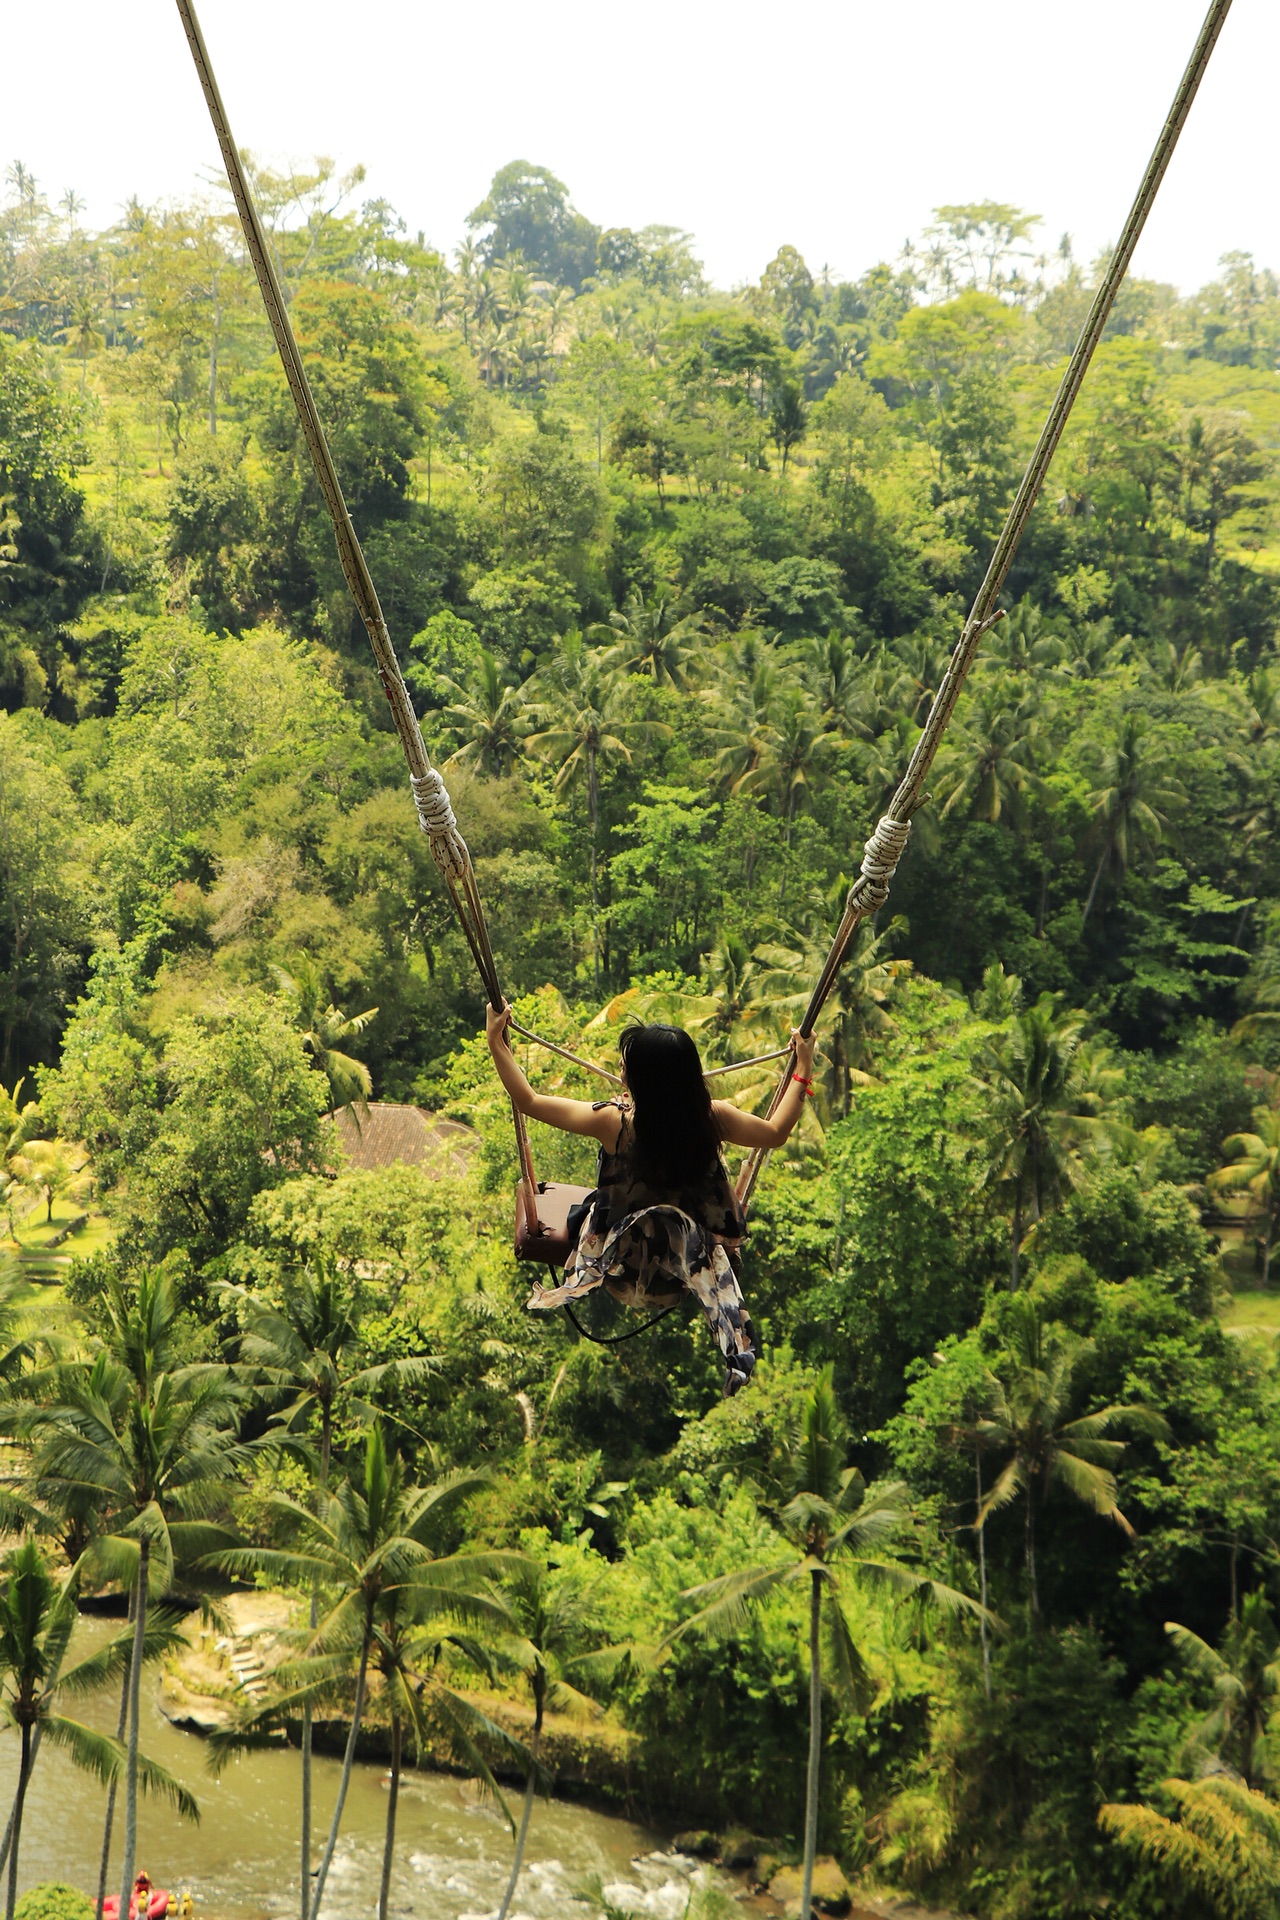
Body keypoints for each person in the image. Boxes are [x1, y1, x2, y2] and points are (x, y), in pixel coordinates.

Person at [486, 1005, 817, 1395]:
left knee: (585, 1208)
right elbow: (776, 1132)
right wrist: (804, 1067)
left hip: (619, 1267)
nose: (620, 1071)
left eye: (626, 1067)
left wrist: (496, 1041)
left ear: (641, 1080)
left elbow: (530, 1101)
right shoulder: (714, 1119)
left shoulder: (614, 1122)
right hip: (682, 1272)